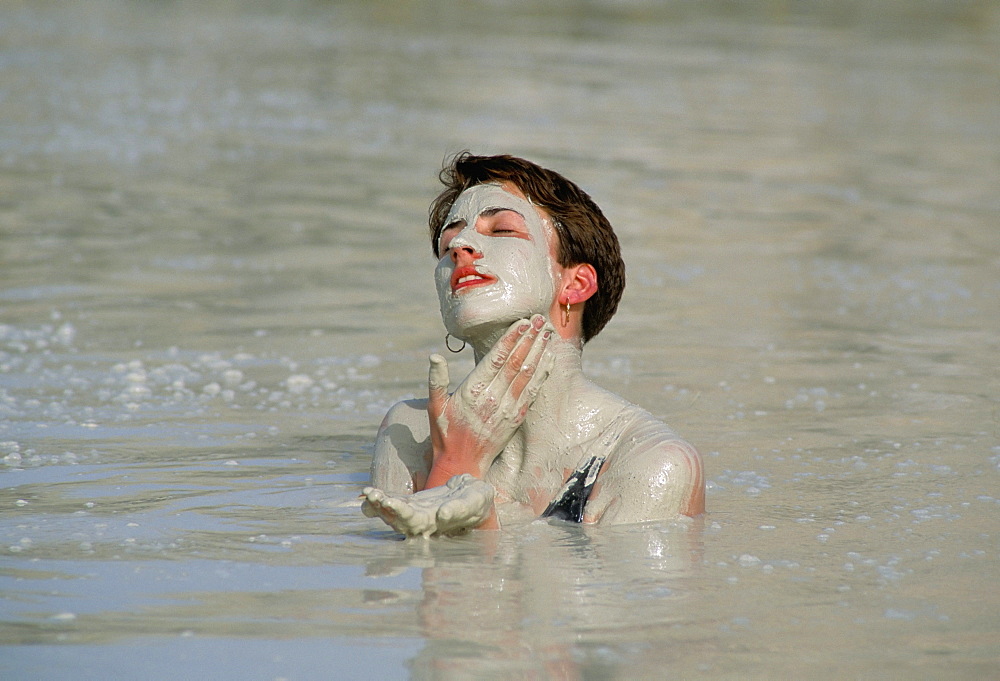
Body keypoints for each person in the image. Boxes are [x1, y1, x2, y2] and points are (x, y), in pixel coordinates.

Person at [362, 153, 704, 537]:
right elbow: (396, 580)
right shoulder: (408, 432)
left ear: (575, 285)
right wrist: (454, 462)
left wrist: (458, 471)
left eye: (502, 230)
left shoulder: (651, 463)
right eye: (447, 242)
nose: (460, 245)